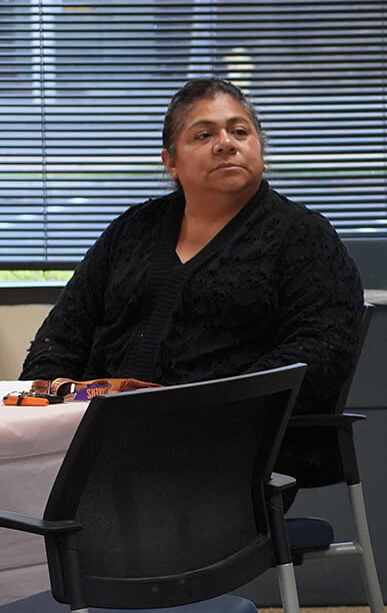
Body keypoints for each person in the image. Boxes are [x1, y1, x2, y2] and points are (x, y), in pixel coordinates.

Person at [20, 77, 363, 415]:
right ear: (171, 163)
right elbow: (60, 336)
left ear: (261, 150)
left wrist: (216, 410)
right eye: (204, 135)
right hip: (95, 427)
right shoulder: (132, 230)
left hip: (227, 431)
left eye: (240, 132)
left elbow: (321, 352)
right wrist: (45, 405)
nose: (226, 144)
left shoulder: (304, 235)